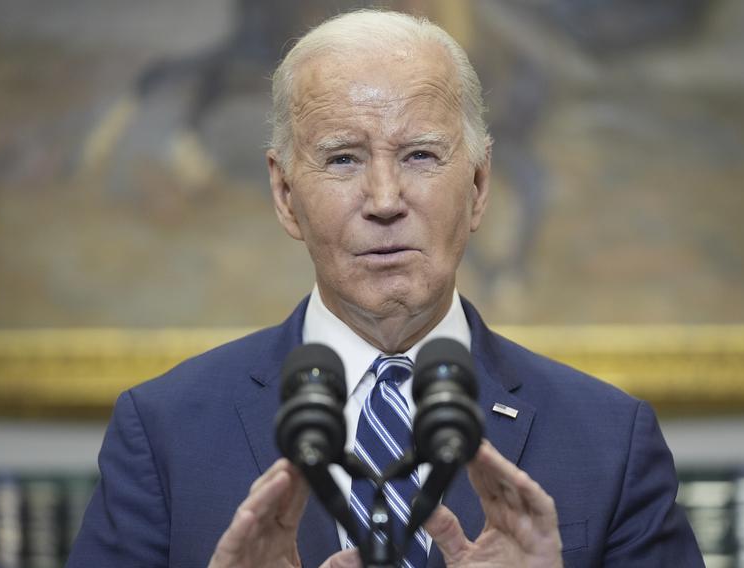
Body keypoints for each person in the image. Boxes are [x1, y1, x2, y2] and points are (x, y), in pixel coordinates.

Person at [66, 9, 702, 568]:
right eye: (343, 158)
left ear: (479, 186)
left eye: (420, 155)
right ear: (286, 195)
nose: (384, 200)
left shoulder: (610, 441)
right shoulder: (164, 432)